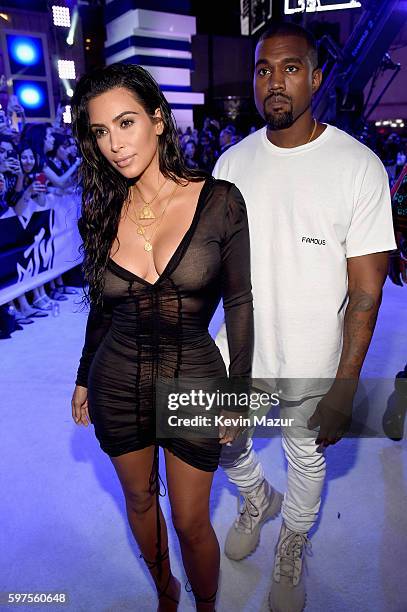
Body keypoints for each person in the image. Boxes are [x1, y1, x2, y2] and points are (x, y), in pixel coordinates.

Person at [213, 22, 396, 612]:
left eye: (291, 67)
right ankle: (255, 496)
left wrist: (345, 386)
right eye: (264, 68)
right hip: (240, 346)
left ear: (316, 78)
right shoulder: (230, 165)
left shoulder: (357, 165)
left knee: (304, 453)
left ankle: (292, 535)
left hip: (313, 353)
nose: (275, 81)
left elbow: (367, 291)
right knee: (201, 429)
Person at [70, 63, 253, 611]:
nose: (114, 145)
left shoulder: (220, 199)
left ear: (159, 120)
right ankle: (166, 592)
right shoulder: (103, 209)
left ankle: (205, 603)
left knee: (192, 519)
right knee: (139, 499)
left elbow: (241, 302)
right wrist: (83, 376)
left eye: (125, 123)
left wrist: (237, 395)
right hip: (116, 378)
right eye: (100, 132)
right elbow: (102, 307)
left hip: (193, 378)